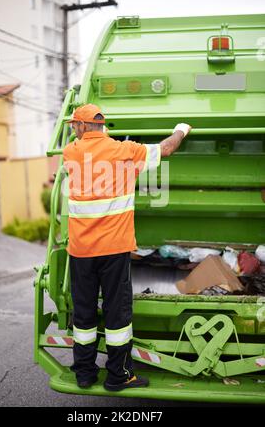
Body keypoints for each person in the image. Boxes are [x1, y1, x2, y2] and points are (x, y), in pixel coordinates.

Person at [63, 103, 191, 391]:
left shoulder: (71, 153)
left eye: (75, 125)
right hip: (113, 250)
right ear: (102, 126)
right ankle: (119, 376)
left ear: (83, 127)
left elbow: (81, 142)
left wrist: (89, 132)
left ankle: (84, 373)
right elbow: (167, 149)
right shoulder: (124, 152)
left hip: (81, 251)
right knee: (117, 315)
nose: (74, 129)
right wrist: (181, 130)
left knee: (83, 314)